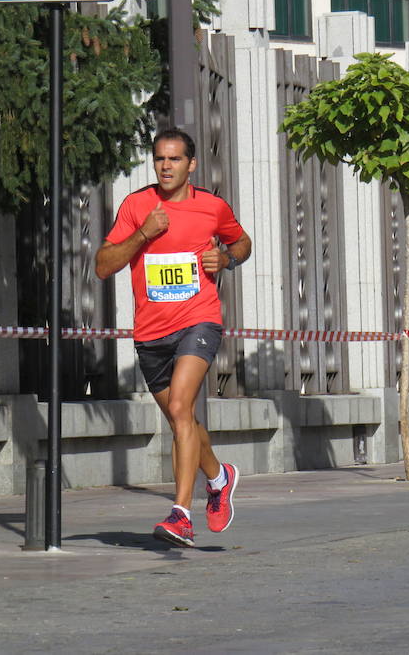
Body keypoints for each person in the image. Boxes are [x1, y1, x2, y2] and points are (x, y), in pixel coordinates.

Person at [95, 127, 252, 546]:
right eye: (160, 159)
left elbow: (242, 243)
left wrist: (227, 259)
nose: (166, 167)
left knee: (182, 406)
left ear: (191, 164)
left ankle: (181, 514)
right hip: (151, 332)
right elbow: (103, 266)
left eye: (175, 159)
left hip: (198, 320)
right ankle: (219, 477)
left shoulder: (212, 207)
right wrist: (143, 233)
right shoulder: (137, 205)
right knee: (181, 419)